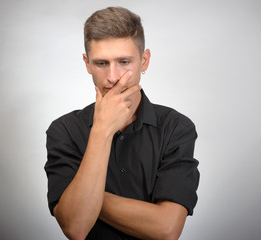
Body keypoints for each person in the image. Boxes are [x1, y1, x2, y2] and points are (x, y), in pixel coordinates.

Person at [44, 6, 199, 240]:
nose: (113, 77)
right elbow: (75, 227)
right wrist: (102, 130)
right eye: (101, 63)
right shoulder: (63, 130)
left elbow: (167, 229)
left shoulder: (176, 127)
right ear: (87, 64)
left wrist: (86, 198)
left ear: (144, 61)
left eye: (124, 62)